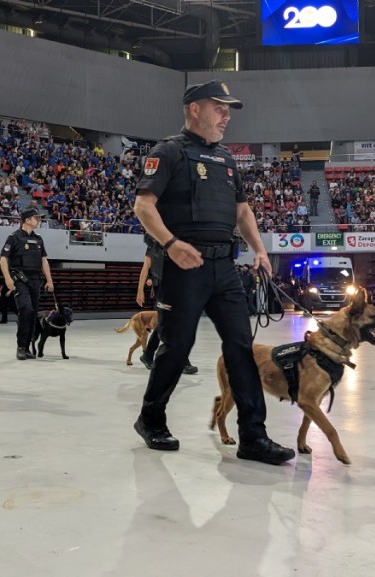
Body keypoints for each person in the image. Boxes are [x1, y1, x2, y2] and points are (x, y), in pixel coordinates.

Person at [131, 79, 295, 465]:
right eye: (219, 107)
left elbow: (242, 211)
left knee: (241, 347)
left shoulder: (227, 159)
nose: (226, 116)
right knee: (177, 347)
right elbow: (143, 206)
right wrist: (171, 243)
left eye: (227, 110)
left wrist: (259, 249)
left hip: (224, 267)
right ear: (194, 109)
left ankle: (253, 436)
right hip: (183, 267)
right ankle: (150, 418)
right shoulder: (168, 152)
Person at [136, 237, 197, 375]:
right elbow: (145, 268)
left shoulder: (178, 240)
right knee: (166, 323)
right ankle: (177, 359)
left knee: (176, 324)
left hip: (178, 287)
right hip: (163, 288)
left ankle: (149, 355)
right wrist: (140, 290)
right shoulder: (154, 243)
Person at [0, 207, 55, 360]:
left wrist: (49, 280)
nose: (39, 220)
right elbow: (3, 259)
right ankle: (21, 346)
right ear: (27, 220)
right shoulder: (14, 237)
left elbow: (44, 260)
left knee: (33, 314)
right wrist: (8, 278)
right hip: (20, 280)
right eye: (36, 218)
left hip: (36, 280)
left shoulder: (38, 239)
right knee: (26, 309)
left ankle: (29, 346)